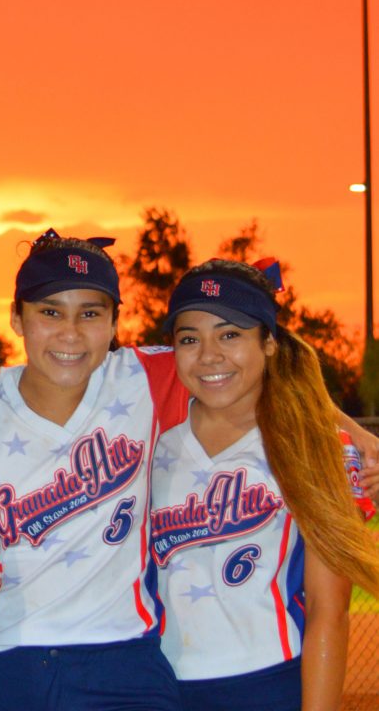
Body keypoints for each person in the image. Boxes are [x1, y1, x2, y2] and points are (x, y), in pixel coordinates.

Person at [0, 230, 188, 711]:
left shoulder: (145, 377)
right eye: (50, 312)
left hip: (124, 660)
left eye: (90, 314)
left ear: (115, 322)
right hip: (10, 660)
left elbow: (259, 373)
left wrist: (344, 434)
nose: (70, 332)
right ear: (17, 318)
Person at [150, 259, 379, 711]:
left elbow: (329, 612)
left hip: (268, 684)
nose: (209, 355)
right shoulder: (148, 443)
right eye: (189, 339)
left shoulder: (314, 449)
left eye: (230, 335)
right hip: (157, 687)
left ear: (270, 343)